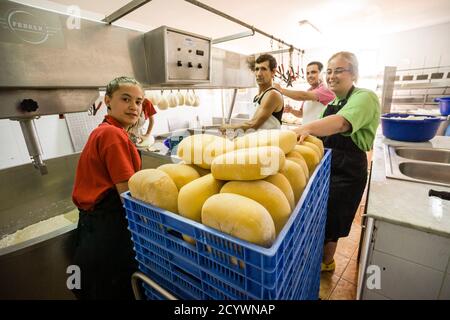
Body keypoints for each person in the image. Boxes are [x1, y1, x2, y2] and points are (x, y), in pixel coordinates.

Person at [291, 52, 380, 272]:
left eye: (339, 70)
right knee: (322, 215)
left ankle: (326, 264)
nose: (331, 76)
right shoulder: (332, 103)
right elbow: (320, 135)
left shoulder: (365, 96)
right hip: (328, 166)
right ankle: (316, 259)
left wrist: (305, 128)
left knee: (335, 218)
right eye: (329, 71)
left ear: (355, 74)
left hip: (348, 170)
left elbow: (340, 124)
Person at [71, 76, 144, 299]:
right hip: (109, 230)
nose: (134, 107)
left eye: (139, 102)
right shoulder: (112, 134)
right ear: (108, 100)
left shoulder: (106, 130)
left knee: (92, 288)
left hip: (92, 228)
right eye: (126, 99)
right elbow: (127, 196)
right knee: (116, 290)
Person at [220, 54, 284, 133]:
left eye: (263, 69)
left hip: (270, 144)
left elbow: (253, 124)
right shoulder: (258, 97)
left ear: (273, 72)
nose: (259, 74)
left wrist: (229, 127)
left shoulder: (273, 94)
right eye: (257, 69)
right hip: (259, 142)